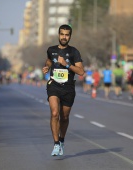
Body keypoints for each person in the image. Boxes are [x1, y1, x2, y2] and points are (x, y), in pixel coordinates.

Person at [42, 24, 84, 156]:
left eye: (67, 35)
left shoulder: (74, 52)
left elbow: (81, 71)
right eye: (62, 34)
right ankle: (55, 144)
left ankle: (61, 140)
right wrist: (47, 67)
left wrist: (67, 65)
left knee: (64, 117)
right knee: (55, 113)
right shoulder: (51, 49)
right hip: (54, 85)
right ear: (58, 35)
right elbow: (49, 60)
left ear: (70, 36)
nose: (64, 37)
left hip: (68, 88)